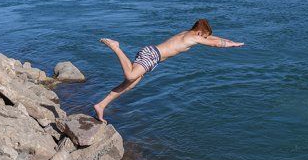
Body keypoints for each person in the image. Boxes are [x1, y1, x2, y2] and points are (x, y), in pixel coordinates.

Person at [93, 19, 244, 123]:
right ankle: (115, 47)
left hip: (152, 55)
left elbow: (213, 38)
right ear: (199, 33)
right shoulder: (193, 38)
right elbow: (215, 43)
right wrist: (231, 45)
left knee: (129, 84)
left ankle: (101, 105)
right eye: (204, 37)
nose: (205, 39)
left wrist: (231, 41)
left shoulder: (188, 32)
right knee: (130, 75)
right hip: (152, 55)